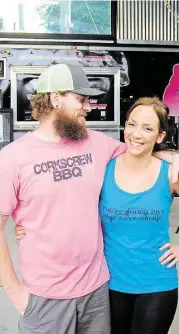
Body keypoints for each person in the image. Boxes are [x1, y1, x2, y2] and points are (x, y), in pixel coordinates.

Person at [1, 65, 179, 334]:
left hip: (97, 291)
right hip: (44, 296)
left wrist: (174, 156)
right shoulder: (13, 157)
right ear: (55, 98)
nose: (89, 107)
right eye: (81, 99)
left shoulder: (97, 144)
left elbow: (140, 150)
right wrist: (15, 291)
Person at [99, 97, 179, 334]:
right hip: (108, 282)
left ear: (160, 136)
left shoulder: (170, 174)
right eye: (132, 124)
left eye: (147, 128)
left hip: (157, 284)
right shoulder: (104, 169)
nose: (136, 134)